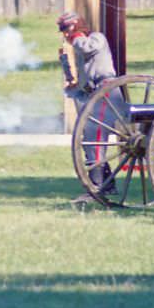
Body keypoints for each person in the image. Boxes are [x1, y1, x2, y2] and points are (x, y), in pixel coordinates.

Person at [57, 12, 120, 202]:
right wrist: (73, 86)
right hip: (95, 93)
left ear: (76, 26)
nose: (65, 34)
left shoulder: (95, 38)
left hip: (106, 90)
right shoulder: (78, 48)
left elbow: (88, 48)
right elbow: (83, 82)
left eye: (66, 29)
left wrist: (76, 37)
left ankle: (97, 188)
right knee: (89, 136)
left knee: (95, 135)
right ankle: (106, 184)